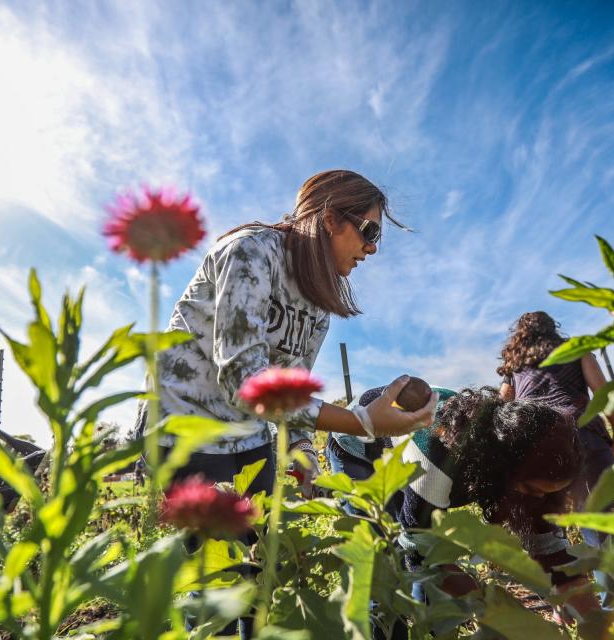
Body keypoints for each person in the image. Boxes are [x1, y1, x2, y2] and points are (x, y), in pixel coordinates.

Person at [135, 170, 437, 638]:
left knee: (264, 570)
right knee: (221, 570)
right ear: (331, 219)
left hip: (250, 434)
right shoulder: (252, 252)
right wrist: (360, 422)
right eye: (370, 231)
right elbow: (244, 378)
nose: (372, 248)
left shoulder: (318, 302)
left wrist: (304, 457)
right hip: (186, 420)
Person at [329, 385, 599, 638]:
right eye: (532, 488)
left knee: (434, 584)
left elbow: (549, 544)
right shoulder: (438, 455)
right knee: (382, 564)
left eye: (549, 492)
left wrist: (582, 605)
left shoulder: (515, 462)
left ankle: (433, 628)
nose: (540, 498)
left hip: (418, 466)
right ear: (506, 470)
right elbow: (420, 551)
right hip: (357, 446)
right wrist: (502, 612)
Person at [497, 311, 614, 547]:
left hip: (537, 445)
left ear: (520, 335)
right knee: (598, 524)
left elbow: (503, 406)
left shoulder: (514, 365)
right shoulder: (575, 349)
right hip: (584, 434)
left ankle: (565, 578)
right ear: (553, 328)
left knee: (548, 530)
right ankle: (608, 582)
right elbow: (604, 396)